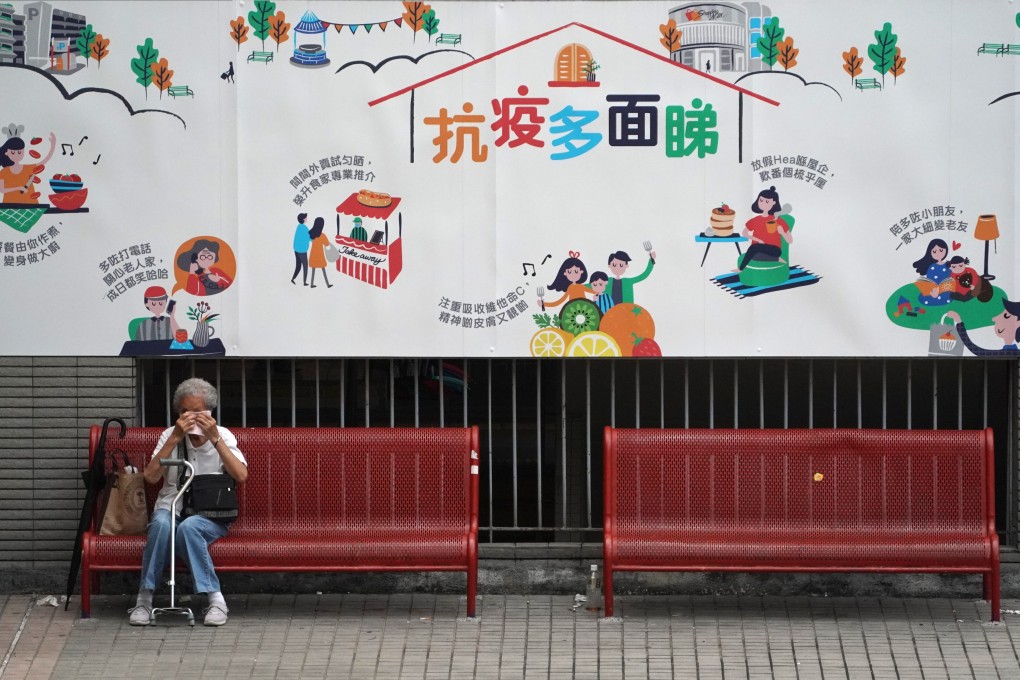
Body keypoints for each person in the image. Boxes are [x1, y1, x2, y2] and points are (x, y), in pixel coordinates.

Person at [129, 378, 248, 627]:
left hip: (210, 515)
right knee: (162, 524)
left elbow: (241, 475)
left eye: (197, 412)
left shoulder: (223, 435)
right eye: (184, 412)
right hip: (171, 507)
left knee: (189, 527)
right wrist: (174, 438)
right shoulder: (169, 436)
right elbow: (150, 477)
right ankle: (144, 598)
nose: (190, 418)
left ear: (210, 413)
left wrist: (215, 438)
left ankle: (215, 600)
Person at [738, 186, 791, 271]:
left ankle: (741, 268)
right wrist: (757, 240)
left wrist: (783, 233)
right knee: (755, 255)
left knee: (753, 248)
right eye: (761, 200)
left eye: (767, 201)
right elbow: (744, 233)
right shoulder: (755, 220)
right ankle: (776, 260)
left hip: (774, 250)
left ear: (773, 203)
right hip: (757, 251)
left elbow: (790, 240)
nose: (763, 203)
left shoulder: (778, 220)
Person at [944, 298, 1020, 356]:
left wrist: (959, 322)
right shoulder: (1010, 352)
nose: (995, 319)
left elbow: (975, 349)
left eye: (1006, 316)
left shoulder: (1009, 353)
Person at [0, 130, 56, 205]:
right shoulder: (4, 172)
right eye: (13, 152)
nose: (17, 155)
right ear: (6, 152)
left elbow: (43, 162)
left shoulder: (28, 169)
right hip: (9, 206)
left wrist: (53, 146)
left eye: (19, 152)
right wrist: (19, 188)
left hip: (31, 205)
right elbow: (2, 190)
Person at [911, 238, 951, 307]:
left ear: (946, 250)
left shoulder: (948, 265)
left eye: (941, 250)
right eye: (934, 252)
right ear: (930, 252)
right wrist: (933, 291)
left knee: (948, 296)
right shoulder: (932, 267)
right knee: (926, 297)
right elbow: (930, 282)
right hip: (934, 290)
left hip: (946, 290)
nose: (938, 253)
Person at [307, 217, 333, 288]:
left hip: (313, 254)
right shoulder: (322, 235)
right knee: (323, 269)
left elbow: (309, 240)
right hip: (320, 254)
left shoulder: (311, 234)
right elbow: (327, 244)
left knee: (313, 269)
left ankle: (312, 284)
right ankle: (327, 284)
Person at [291, 212, 310, 285]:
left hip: (296, 249)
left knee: (298, 265)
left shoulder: (299, 226)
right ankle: (304, 282)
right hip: (302, 250)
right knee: (305, 265)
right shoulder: (304, 228)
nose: (306, 218)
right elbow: (310, 237)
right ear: (303, 219)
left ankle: (293, 279)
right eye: (305, 217)